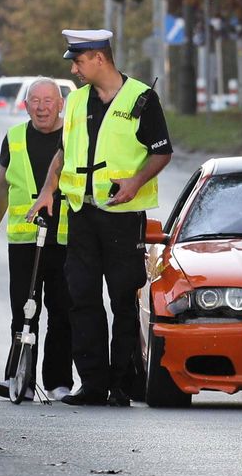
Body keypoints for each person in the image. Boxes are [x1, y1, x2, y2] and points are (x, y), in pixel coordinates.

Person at [34, 30, 172, 407]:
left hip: (122, 217)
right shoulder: (76, 101)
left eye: (78, 62)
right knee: (82, 298)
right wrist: (48, 190)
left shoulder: (141, 98)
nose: (75, 69)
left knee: (123, 299)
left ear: (98, 59)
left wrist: (136, 181)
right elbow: (63, 154)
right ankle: (92, 384)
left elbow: (162, 152)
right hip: (81, 214)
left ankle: (123, 384)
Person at [0, 77, 74, 400]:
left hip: (64, 240)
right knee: (23, 311)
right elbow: (1, 186)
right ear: (25, 106)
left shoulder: (74, 136)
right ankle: (17, 378)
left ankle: (59, 382)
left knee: (62, 312)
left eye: (49, 101)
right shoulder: (15, 137)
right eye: (35, 101)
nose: (42, 107)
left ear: (61, 104)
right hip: (24, 240)